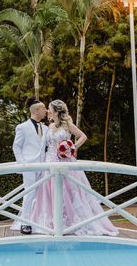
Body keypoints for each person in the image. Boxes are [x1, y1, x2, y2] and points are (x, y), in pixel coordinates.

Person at [29, 99, 118, 236]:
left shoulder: (67, 125)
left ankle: (72, 221)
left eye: (49, 109)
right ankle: (53, 222)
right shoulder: (50, 127)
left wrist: (72, 147)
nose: (47, 111)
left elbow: (83, 136)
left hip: (65, 161)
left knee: (69, 191)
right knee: (49, 191)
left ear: (56, 111)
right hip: (49, 162)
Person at [11, 97, 48, 234]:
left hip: (44, 166)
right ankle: (25, 223)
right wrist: (22, 164)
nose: (46, 111)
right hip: (29, 166)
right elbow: (16, 146)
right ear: (36, 111)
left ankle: (39, 221)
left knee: (43, 194)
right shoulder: (22, 127)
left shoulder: (46, 128)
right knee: (29, 193)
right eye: (43, 109)